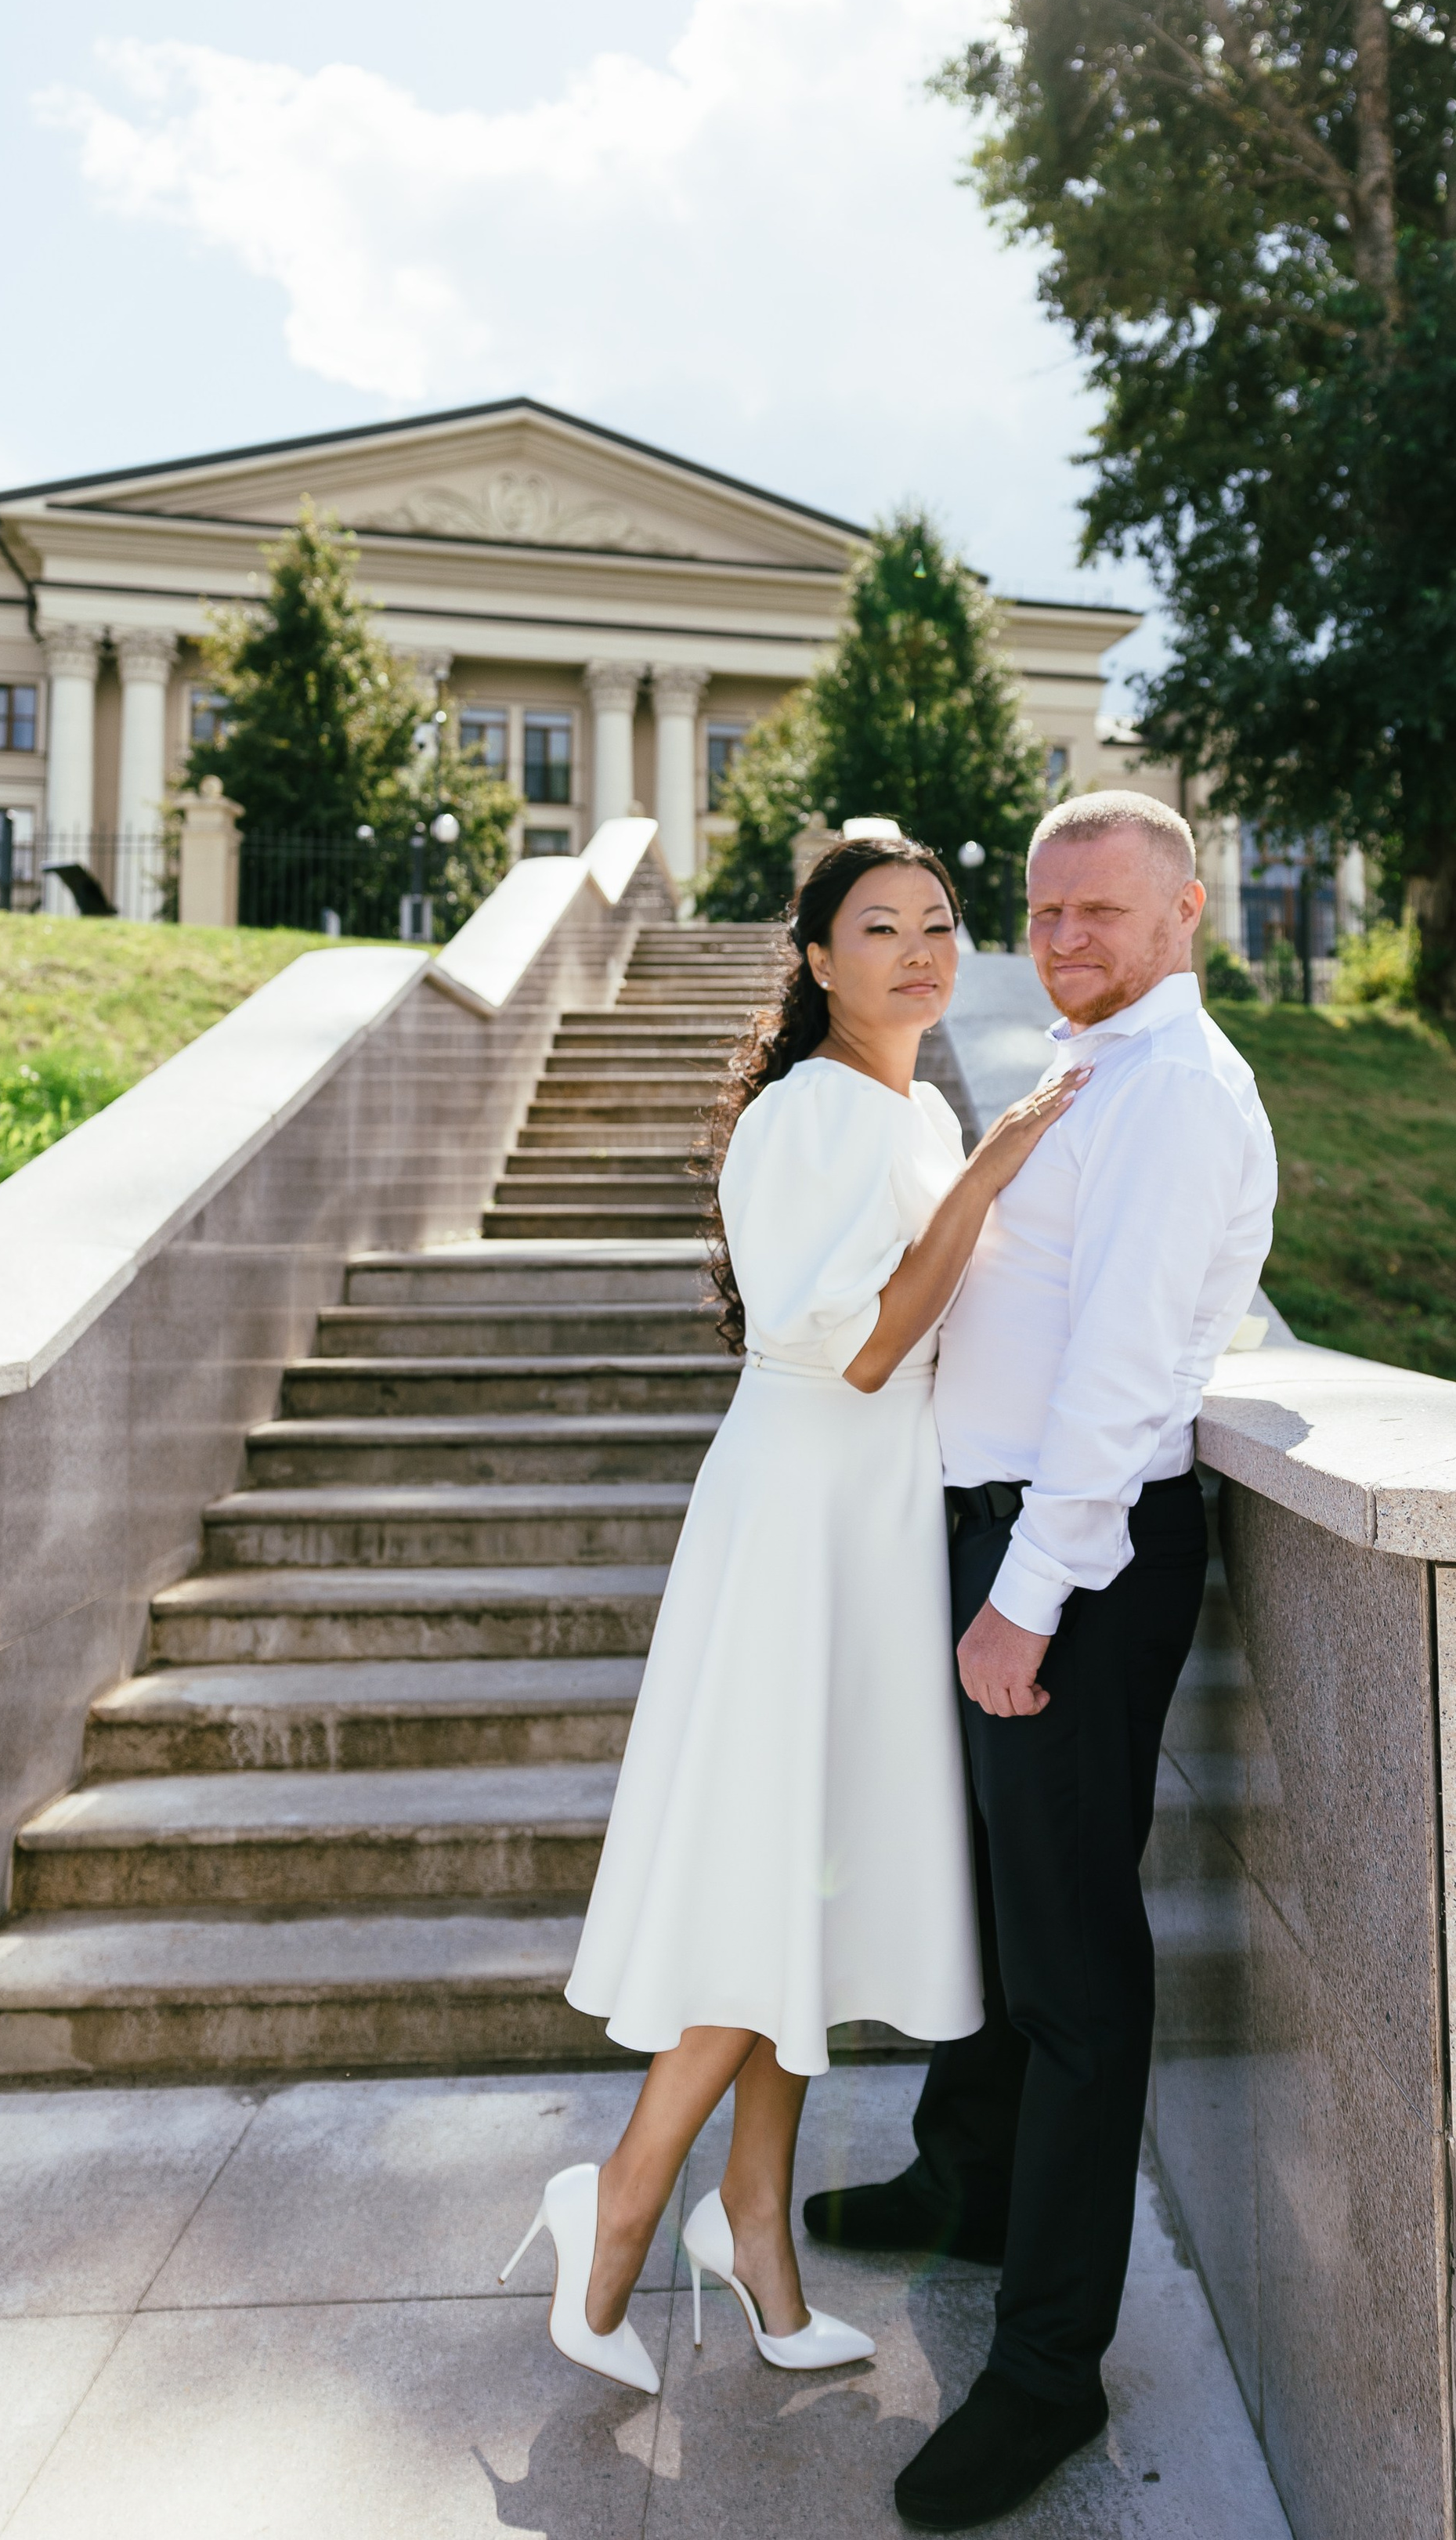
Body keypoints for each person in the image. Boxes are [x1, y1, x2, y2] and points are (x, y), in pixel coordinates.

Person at [499, 834, 1088, 2394]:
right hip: (794, 1524)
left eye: (938, 925)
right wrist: (989, 1174)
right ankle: (617, 2202)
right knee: (768, 1871)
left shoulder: (919, 1107)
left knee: (807, 1894)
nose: (915, 949)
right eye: (874, 926)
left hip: (875, 1527)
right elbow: (859, 1351)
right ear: (816, 961)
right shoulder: (807, 1114)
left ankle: (751, 2227)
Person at [806, 789, 1279, 2532]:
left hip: (1069, 1556)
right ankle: (968, 2183)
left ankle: (1045, 2366)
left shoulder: (1176, 1093)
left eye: (1100, 912)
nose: (1062, 941)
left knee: (1073, 1966)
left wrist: (1027, 1595)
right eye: (1044, 912)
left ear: (1184, 912)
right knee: (1000, 1909)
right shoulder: (1086, 1067)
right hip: (988, 1533)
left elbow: (1131, 1380)